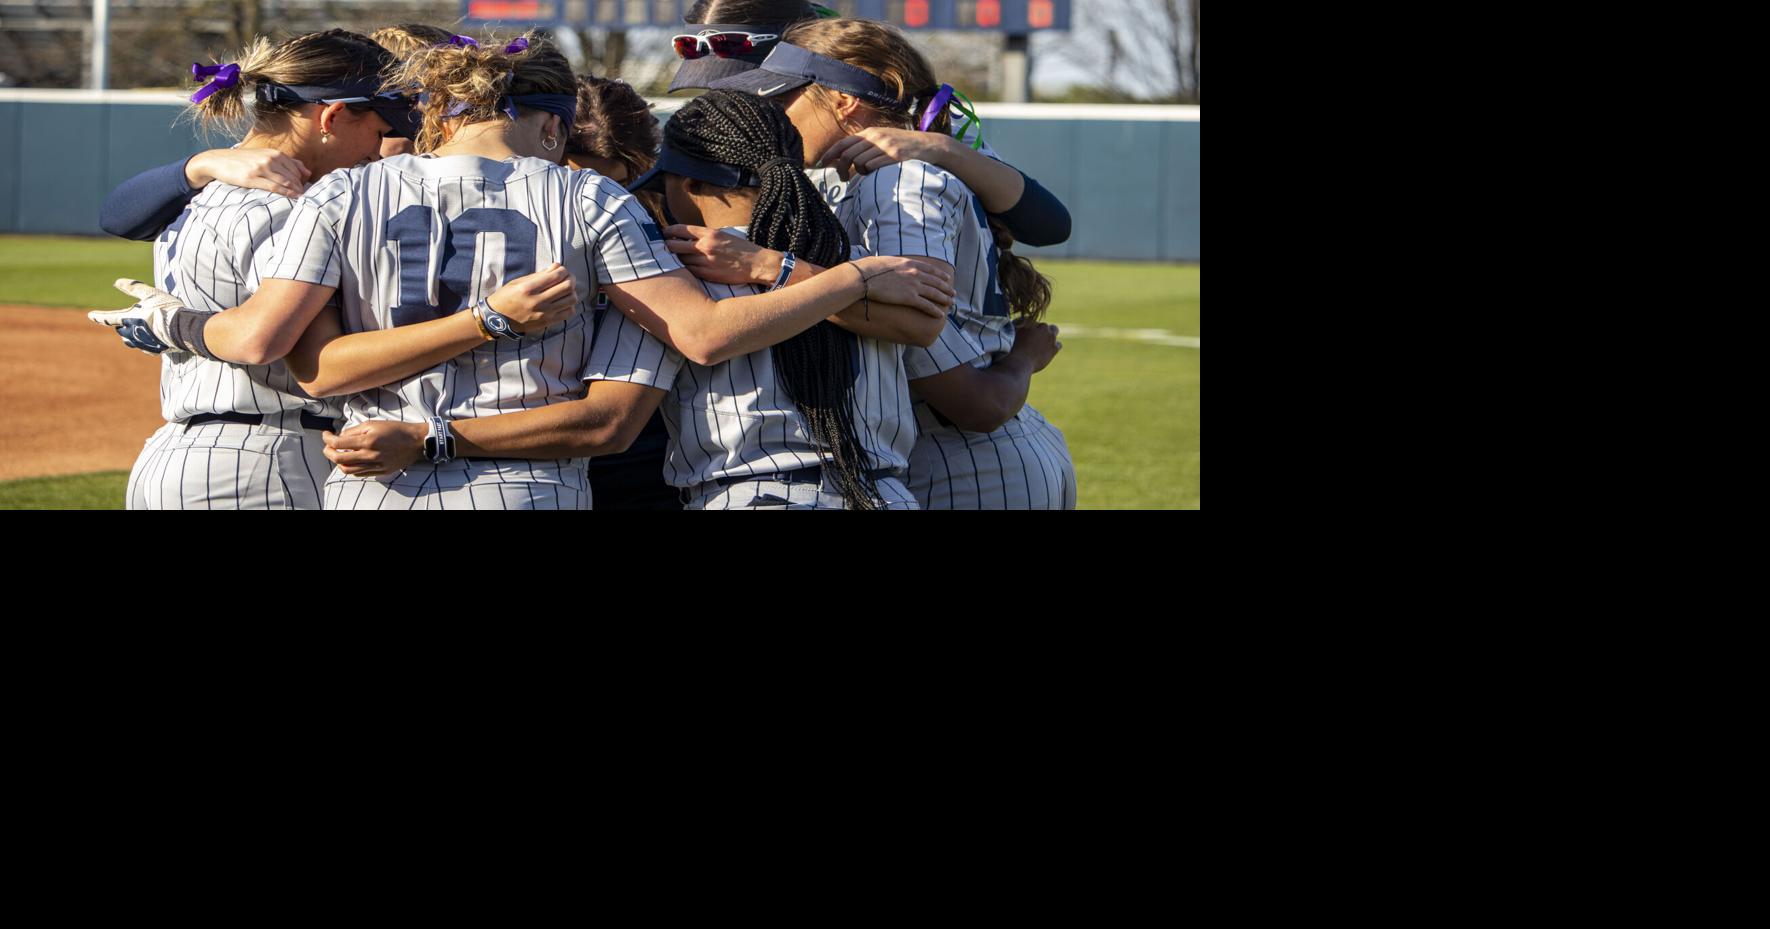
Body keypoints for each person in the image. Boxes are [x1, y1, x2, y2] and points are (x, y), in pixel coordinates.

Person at [96, 33, 956, 510]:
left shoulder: (343, 194)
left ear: (440, 112)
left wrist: (177, 312)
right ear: (553, 123)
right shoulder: (590, 201)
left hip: (370, 485)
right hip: (527, 487)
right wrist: (849, 277)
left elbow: (308, 364)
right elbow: (694, 337)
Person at [713, 18, 1076, 508]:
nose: (772, 117)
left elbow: (964, 394)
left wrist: (772, 268)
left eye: (782, 101)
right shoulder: (861, 177)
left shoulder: (899, 180)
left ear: (843, 101)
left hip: (965, 464)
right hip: (966, 455)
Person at [108, 28, 417, 509]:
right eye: (379, 132)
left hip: (183, 457)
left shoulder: (203, 195)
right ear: (332, 117)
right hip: (265, 463)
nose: (378, 151)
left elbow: (118, 213)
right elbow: (288, 349)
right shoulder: (287, 208)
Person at [630, 90, 945, 508]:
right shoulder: (856, 262)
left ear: (689, 183)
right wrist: (850, 276)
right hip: (882, 493)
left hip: (755, 493)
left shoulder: (673, 269)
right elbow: (924, 326)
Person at [668, 0, 1071, 249]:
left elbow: (1048, 225)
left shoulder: (913, 142)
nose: (736, 103)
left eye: (754, 87)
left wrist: (940, 148)